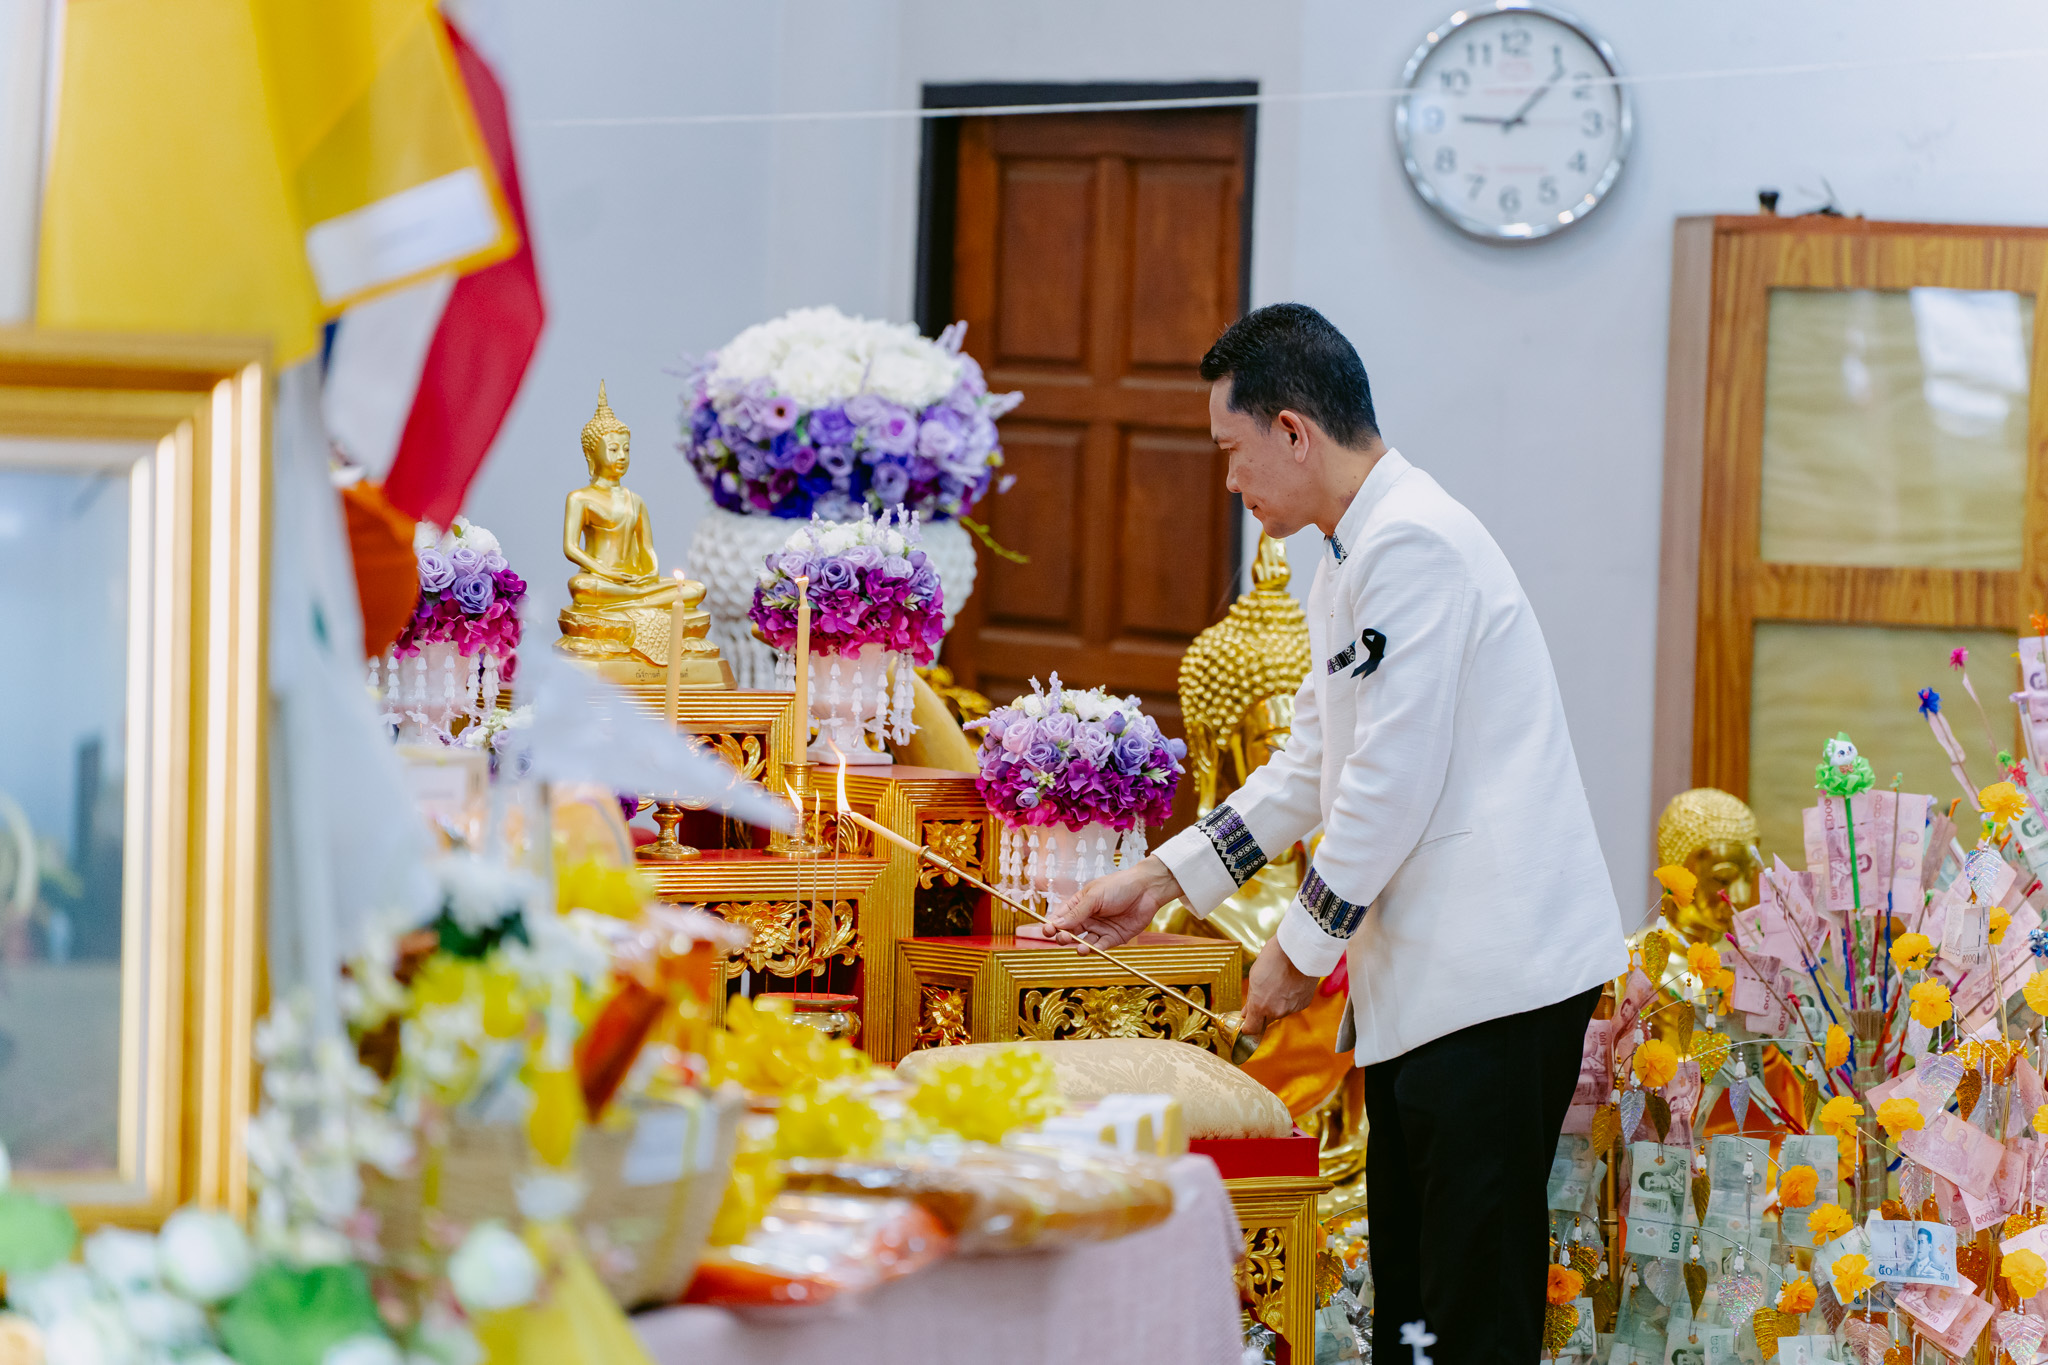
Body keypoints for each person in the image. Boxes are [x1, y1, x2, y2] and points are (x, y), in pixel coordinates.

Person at [1043, 303, 1626, 1360]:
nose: (1230, 482)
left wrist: (1296, 951)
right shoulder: (1348, 556)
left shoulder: (1414, 542)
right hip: (1433, 981)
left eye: (1232, 452)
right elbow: (1309, 766)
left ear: (1293, 432)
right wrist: (1160, 880)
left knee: (1469, 1298)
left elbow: (1388, 784)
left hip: (1494, 975)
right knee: (1413, 1291)